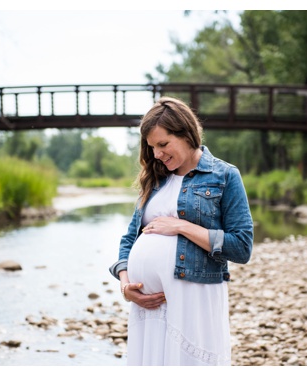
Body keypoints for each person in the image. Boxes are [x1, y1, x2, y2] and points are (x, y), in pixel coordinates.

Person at [108, 97, 253, 366]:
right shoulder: (155, 178)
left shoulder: (224, 175)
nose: (157, 154)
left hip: (194, 299)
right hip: (148, 307)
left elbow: (242, 247)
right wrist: (126, 284)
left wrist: (180, 226)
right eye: (152, 147)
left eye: (163, 144)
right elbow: (130, 238)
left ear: (187, 133)